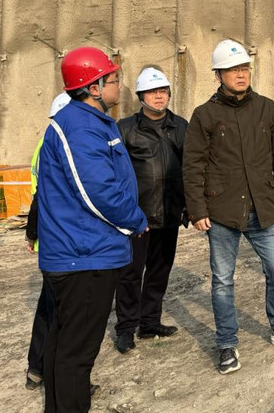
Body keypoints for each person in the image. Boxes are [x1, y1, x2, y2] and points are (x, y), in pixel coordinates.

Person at [184, 39, 274, 375]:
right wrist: (197, 209)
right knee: (222, 280)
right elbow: (193, 166)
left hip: (262, 206)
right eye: (232, 70)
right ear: (218, 75)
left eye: (244, 68)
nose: (241, 75)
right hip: (222, 211)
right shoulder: (204, 115)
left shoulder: (265, 108)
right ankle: (226, 343)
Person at [37, 47, 149, 413]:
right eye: (114, 79)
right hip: (85, 255)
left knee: (63, 343)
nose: (119, 85)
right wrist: (135, 220)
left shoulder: (89, 122)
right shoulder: (81, 127)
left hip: (82, 252)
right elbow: (97, 191)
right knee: (77, 354)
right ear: (94, 88)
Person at [114, 67, 189, 354]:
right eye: (152, 92)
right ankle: (125, 328)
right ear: (140, 96)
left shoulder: (180, 126)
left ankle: (149, 323)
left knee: (160, 271)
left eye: (163, 91)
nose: (159, 96)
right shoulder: (124, 129)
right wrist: (123, 212)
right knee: (130, 273)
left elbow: (191, 167)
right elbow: (115, 173)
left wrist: (188, 206)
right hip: (137, 217)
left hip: (169, 213)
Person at [23, 92, 70, 391]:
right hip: (58, 237)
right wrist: (32, 232)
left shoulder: (44, 143)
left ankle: (37, 368)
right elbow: (43, 196)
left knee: (49, 306)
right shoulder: (57, 145)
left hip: (50, 235)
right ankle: (52, 374)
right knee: (61, 312)